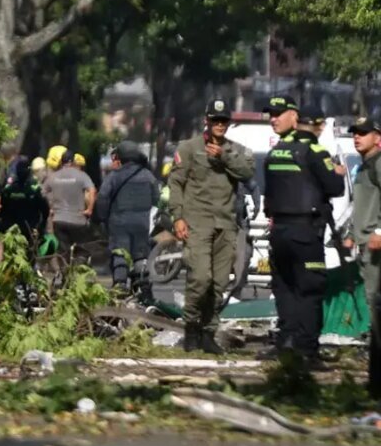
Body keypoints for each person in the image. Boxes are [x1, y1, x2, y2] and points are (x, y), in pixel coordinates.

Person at [263, 94, 345, 366]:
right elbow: (335, 188)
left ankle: (285, 342)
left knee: (285, 288)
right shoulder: (316, 152)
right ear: (319, 126)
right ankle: (307, 351)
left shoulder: (276, 151)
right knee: (309, 290)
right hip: (305, 232)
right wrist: (337, 172)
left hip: (279, 232)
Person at [168, 98, 254, 353]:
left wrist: (225, 156)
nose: (219, 124)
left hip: (226, 224)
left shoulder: (236, 150)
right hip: (198, 221)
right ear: (206, 120)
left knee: (218, 284)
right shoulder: (189, 148)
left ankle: (208, 332)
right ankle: (191, 326)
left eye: (223, 120)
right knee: (200, 278)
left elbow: (248, 174)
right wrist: (178, 217)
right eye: (215, 120)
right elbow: (176, 183)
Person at [96, 141, 160, 302]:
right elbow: (156, 198)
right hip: (143, 223)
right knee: (140, 254)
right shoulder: (148, 175)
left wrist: (102, 219)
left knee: (120, 253)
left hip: (119, 222)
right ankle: (142, 287)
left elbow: (103, 198)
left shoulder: (114, 176)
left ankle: (120, 287)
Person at [343, 117, 381, 309]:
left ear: (377, 137)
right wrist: (350, 235)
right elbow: (360, 205)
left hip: (376, 244)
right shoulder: (363, 166)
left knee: (374, 298)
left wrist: (380, 232)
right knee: (370, 297)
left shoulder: (378, 164)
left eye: (363, 133)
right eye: (355, 133)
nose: (357, 137)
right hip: (365, 244)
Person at [47, 150, 96, 255]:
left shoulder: (53, 176)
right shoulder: (82, 175)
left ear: (61, 161)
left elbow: (43, 193)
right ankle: (78, 267)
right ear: (73, 161)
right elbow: (92, 190)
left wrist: (50, 209)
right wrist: (89, 209)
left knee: (63, 252)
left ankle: (64, 269)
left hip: (59, 220)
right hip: (78, 220)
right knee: (80, 250)